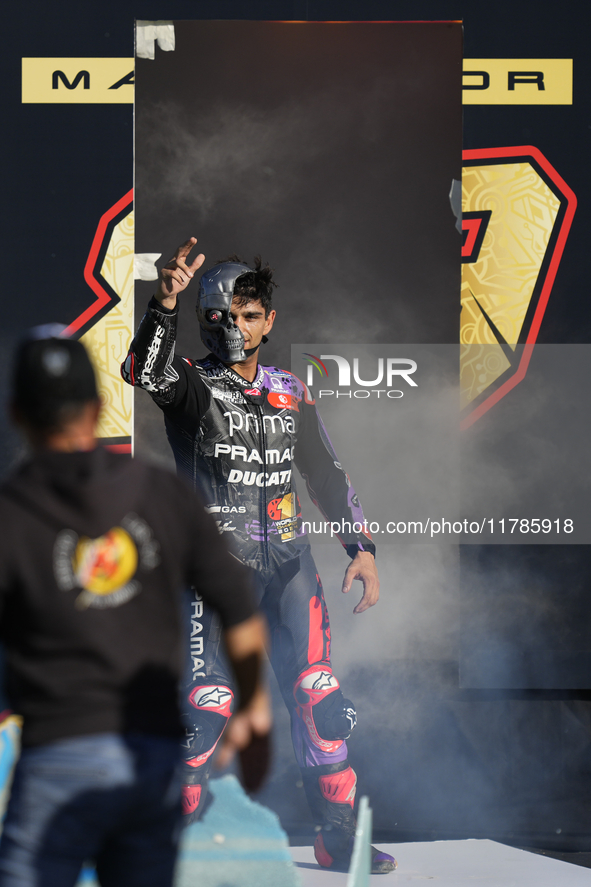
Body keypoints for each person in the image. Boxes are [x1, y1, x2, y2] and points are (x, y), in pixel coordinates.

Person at [122, 237, 397, 874]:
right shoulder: (190, 385)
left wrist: (361, 549)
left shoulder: (291, 391)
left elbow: (327, 477)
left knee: (321, 698)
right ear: (204, 321)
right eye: (220, 315)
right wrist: (164, 302)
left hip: (289, 568)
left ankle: (334, 837)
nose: (235, 328)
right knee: (206, 708)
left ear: (269, 322)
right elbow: (144, 372)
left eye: (248, 315)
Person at [0, 328, 271, 887]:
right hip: (149, 762)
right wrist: (256, 714)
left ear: (17, 415)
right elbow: (238, 609)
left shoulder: (10, 511)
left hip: (58, 754)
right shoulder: (162, 494)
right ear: (98, 409)